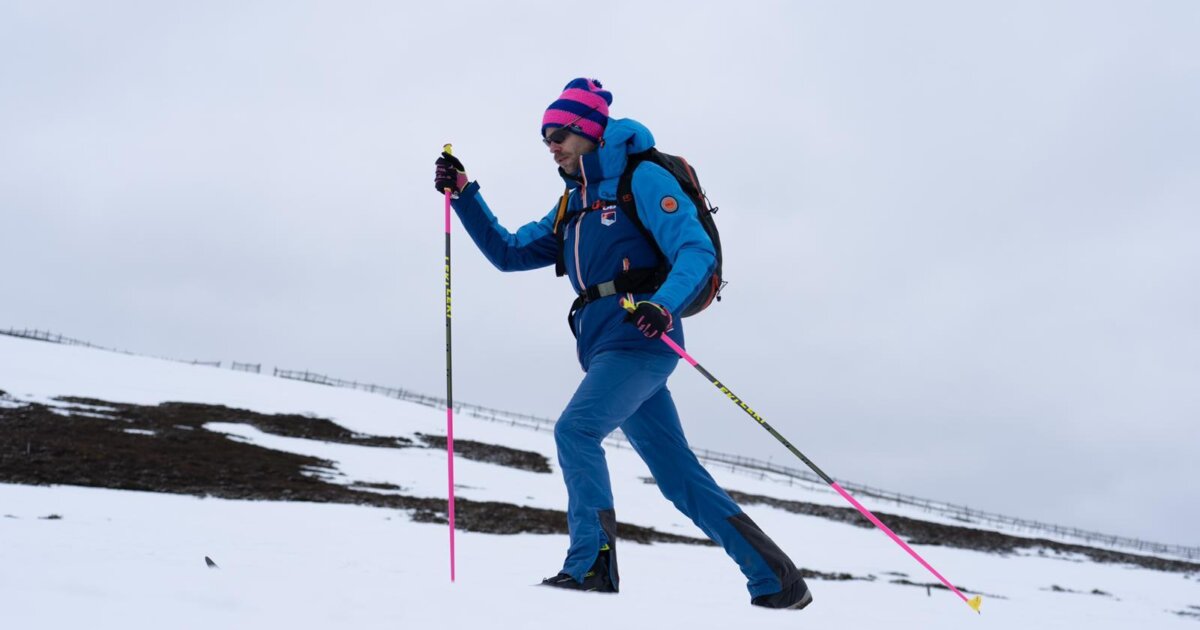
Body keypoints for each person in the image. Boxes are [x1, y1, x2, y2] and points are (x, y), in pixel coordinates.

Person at [433, 78, 811, 610]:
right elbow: (509, 252)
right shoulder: (573, 203)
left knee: (576, 429)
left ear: (588, 130)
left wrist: (665, 303)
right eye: (545, 138)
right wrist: (466, 194)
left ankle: (592, 564)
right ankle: (777, 579)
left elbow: (695, 250)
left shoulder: (642, 177)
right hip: (604, 347)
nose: (552, 145)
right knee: (679, 477)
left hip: (642, 341)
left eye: (560, 133)